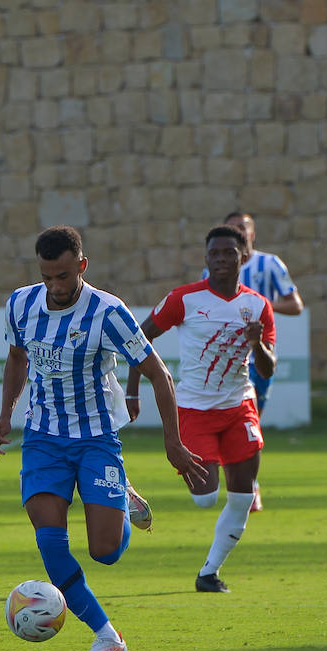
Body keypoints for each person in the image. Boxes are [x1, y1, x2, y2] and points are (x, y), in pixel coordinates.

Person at [0, 226, 208, 651]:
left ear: (82, 266)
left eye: (64, 276)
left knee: (104, 552)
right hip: (43, 438)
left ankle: (123, 500)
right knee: (50, 543)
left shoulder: (109, 312)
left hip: (95, 440)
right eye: (48, 277)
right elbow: (17, 357)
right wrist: (4, 415)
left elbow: (159, 375)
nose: (56, 286)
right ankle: (108, 636)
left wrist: (174, 444)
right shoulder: (20, 303)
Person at [127, 224, 276, 592]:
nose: (221, 260)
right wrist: (132, 391)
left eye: (228, 253)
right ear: (206, 259)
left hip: (240, 408)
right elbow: (139, 339)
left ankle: (209, 574)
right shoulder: (184, 299)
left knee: (241, 499)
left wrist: (257, 344)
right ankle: (127, 493)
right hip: (193, 410)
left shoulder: (258, 306)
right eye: (214, 254)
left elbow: (268, 369)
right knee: (206, 499)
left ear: (243, 257)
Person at [222, 211, 304, 511]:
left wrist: (262, 305)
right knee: (229, 418)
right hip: (224, 357)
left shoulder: (269, 264)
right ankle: (242, 486)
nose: (238, 232)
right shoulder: (215, 267)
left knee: (249, 419)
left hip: (258, 355)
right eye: (232, 228)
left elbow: (295, 304)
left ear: (252, 234)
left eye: (242, 227)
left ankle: (248, 484)